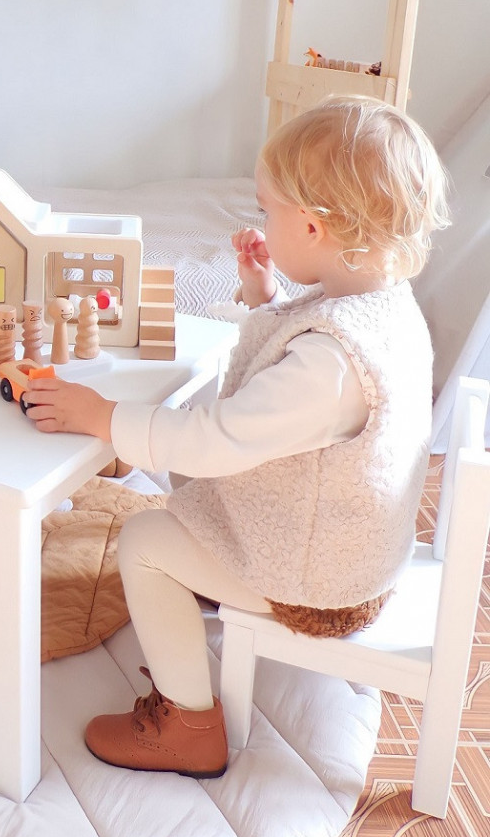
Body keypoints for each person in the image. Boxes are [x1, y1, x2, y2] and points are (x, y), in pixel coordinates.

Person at [22, 95, 450, 778]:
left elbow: (214, 440)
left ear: (311, 228)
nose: (259, 221)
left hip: (322, 580)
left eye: (265, 210)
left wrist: (101, 417)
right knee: (171, 501)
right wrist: (265, 295)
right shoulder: (379, 302)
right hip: (351, 542)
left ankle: (187, 727)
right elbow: (299, 393)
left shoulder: (333, 363)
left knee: (147, 540)